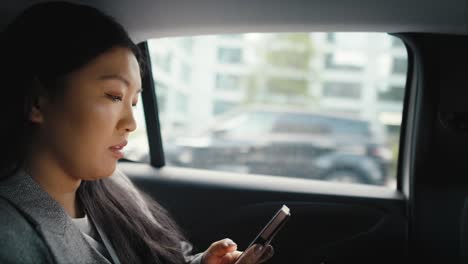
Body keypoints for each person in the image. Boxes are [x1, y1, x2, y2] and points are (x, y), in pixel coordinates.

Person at [0, 2, 273, 264]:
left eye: (133, 102)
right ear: (37, 101)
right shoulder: (10, 236)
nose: (131, 123)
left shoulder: (113, 188)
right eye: (113, 96)